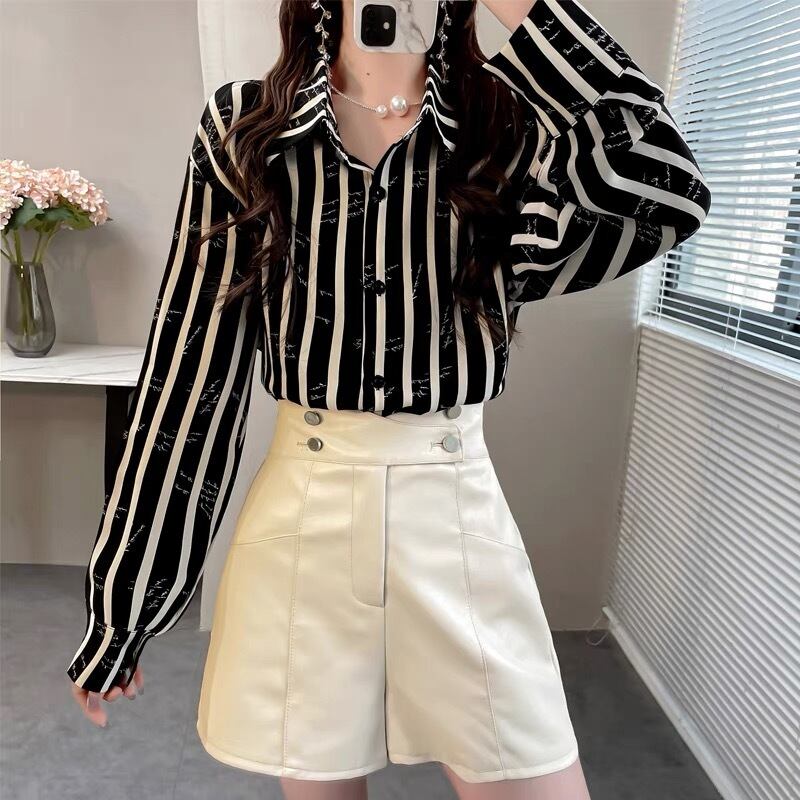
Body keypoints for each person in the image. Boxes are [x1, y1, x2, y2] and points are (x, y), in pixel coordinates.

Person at [65, 1, 711, 798]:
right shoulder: (247, 129)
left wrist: (523, 5)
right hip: (303, 519)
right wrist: (124, 605)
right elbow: (191, 372)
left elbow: (665, 185)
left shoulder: (510, 127)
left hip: (456, 513)